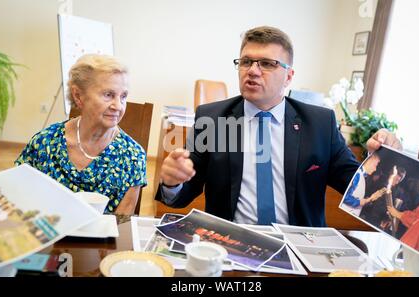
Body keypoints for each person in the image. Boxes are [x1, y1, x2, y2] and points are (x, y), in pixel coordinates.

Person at [157, 26, 401, 226]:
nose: (253, 71)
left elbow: (357, 189)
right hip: (230, 241)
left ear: (289, 76)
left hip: (299, 247)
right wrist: (172, 182)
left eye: (267, 64)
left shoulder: (319, 124)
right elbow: (181, 195)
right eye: (246, 62)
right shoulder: (214, 118)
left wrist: (384, 157)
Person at [15, 54, 146, 215]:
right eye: (108, 95)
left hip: (103, 239)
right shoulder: (44, 143)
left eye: (123, 96)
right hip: (45, 236)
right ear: (78, 96)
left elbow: (122, 224)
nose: (118, 106)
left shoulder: (133, 155)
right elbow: (16, 199)